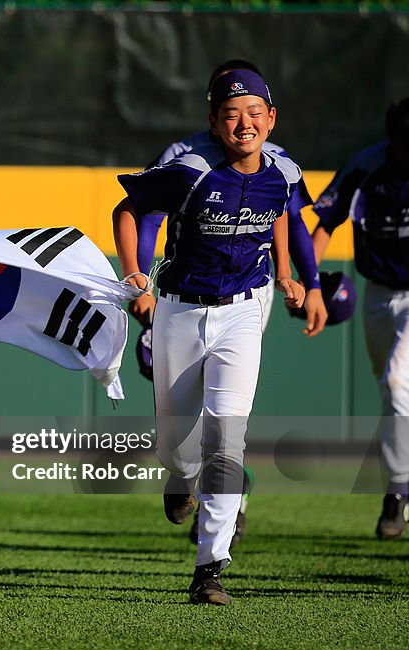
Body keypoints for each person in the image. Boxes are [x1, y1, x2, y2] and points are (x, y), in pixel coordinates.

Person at [113, 69, 313, 606]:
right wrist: (133, 271)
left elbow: (281, 216)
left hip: (243, 312)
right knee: (178, 444)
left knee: (227, 438)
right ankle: (179, 481)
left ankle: (210, 569)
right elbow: (129, 209)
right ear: (213, 123)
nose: (243, 123)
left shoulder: (286, 171)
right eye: (230, 113)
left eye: (254, 113)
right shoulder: (190, 171)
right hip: (179, 311)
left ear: (271, 119)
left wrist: (289, 273)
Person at [311, 97, 409, 540]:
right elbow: (326, 223)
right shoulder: (367, 166)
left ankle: (398, 491)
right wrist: (309, 284)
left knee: (396, 382)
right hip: (377, 293)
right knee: (388, 388)